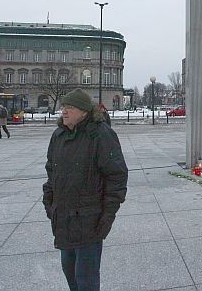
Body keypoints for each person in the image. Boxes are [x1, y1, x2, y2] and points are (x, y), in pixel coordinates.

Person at [42, 88, 128, 291]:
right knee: (70, 273)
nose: (64, 111)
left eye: (70, 107)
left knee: (86, 280)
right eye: (63, 107)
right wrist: (49, 202)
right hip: (63, 219)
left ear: (84, 112)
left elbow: (117, 177)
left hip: (90, 221)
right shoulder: (59, 135)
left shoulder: (100, 135)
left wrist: (107, 216)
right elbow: (50, 171)